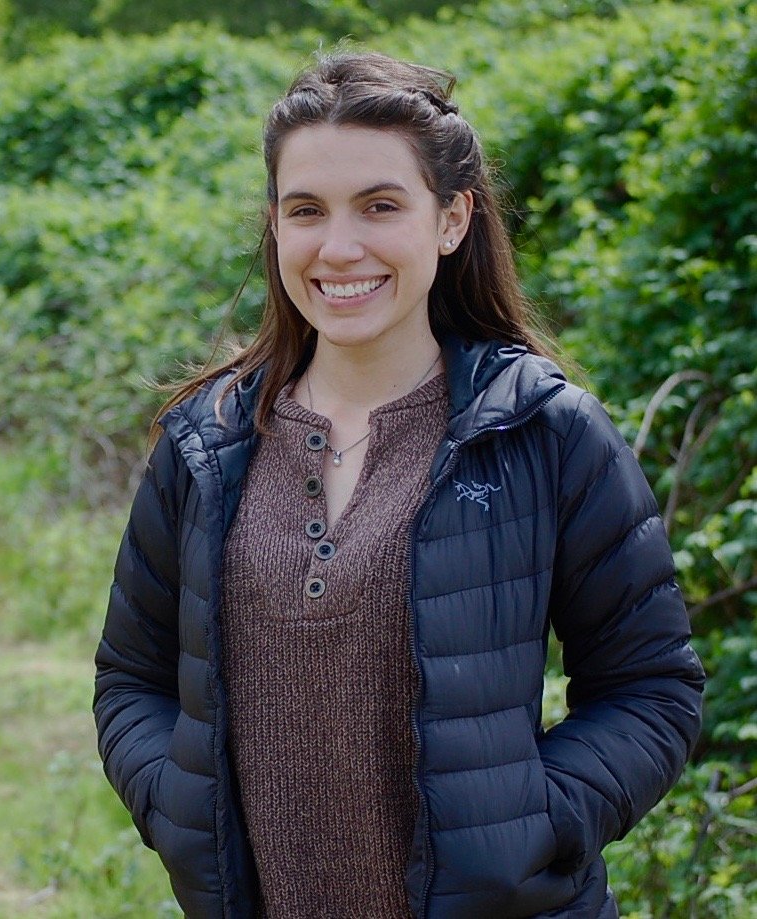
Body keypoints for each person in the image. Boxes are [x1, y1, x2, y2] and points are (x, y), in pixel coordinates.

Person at [92, 49, 705, 919]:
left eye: (380, 205)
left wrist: (529, 826)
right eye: (306, 210)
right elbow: (129, 676)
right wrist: (178, 806)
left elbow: (652, 684)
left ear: (451, 218)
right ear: (274, 225)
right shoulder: (204, 442)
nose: (338, 247)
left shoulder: (543, 431)